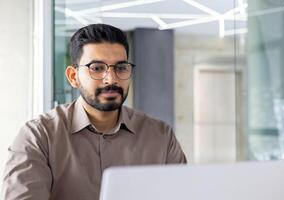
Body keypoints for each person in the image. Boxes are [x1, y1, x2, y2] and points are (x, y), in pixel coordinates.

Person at [1, 23, 186, 200]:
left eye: (121, 68)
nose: (111, 79)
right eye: (97, 68)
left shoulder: (161, 137)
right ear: (73, 77)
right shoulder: (39, 137)